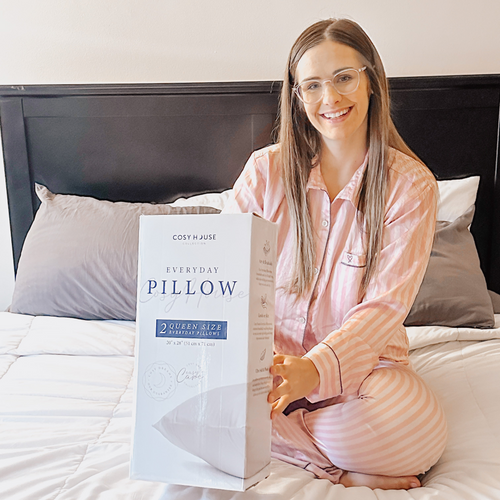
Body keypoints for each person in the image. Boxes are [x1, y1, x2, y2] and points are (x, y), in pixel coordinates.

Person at [223, 18, 447, 490]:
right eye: (313, 85)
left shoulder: (411, 187)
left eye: (344, 77)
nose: (330, 99)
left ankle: (279, 445)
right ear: (297, 96)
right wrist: (273, 372)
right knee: (188, 396)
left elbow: (384, 308)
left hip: (363, 375)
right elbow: (225, 276)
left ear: (372, 80)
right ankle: (333, 467)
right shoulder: (265, 172)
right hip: (269, 371)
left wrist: (317, 371)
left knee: (416, 429)